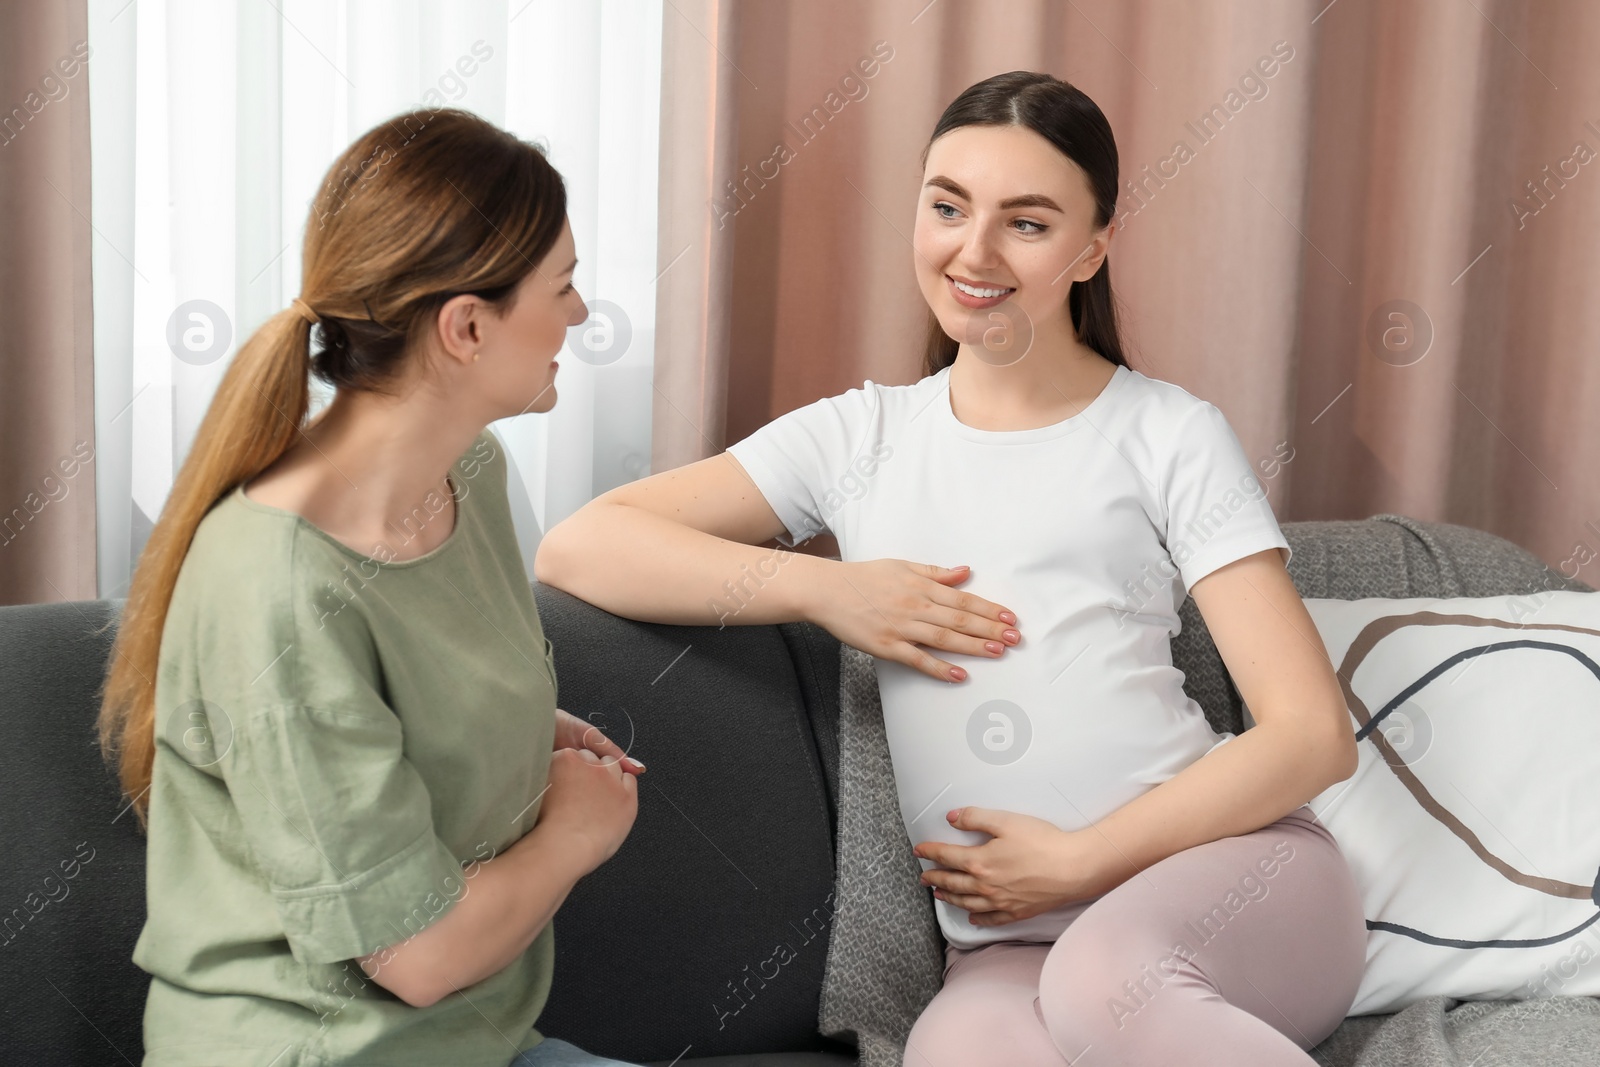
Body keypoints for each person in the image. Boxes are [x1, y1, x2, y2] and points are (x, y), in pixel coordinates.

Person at [535, 72, 1367, 1066]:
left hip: (1234, 883)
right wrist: (824, 587)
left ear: (1091, 248)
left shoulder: (1168, 433)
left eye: (1026, 222)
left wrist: (1077, 858)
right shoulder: (859, 436)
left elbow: (1311, 733)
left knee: (1108, 984)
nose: (972, 251)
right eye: (946, 206)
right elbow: (582, 543)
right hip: (1007, 946)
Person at [98, 107, 646, 1067]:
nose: (581, 314)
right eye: (561, 287)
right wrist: (577, 832)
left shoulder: (470, 474)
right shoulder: (277, 582)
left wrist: (521, 731)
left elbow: (413, 700)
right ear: (467, 327)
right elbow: (420, 954)